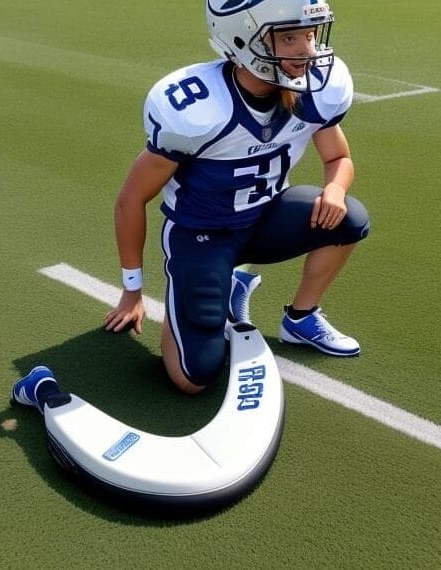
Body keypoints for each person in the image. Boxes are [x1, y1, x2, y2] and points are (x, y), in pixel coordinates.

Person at [103, 0, 370, 395]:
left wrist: (334, 188)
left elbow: (338, 157)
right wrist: (131, 291)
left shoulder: (313, 90)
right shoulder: (197, 108)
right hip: (202, 235)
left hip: (265, 218)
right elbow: (130, 199)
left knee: (349, 217)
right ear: (242, 38)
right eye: (291, 37)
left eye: (311, 34)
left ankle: (301, 317)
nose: (309, 51)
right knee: (193, 378)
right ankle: (216, 293)